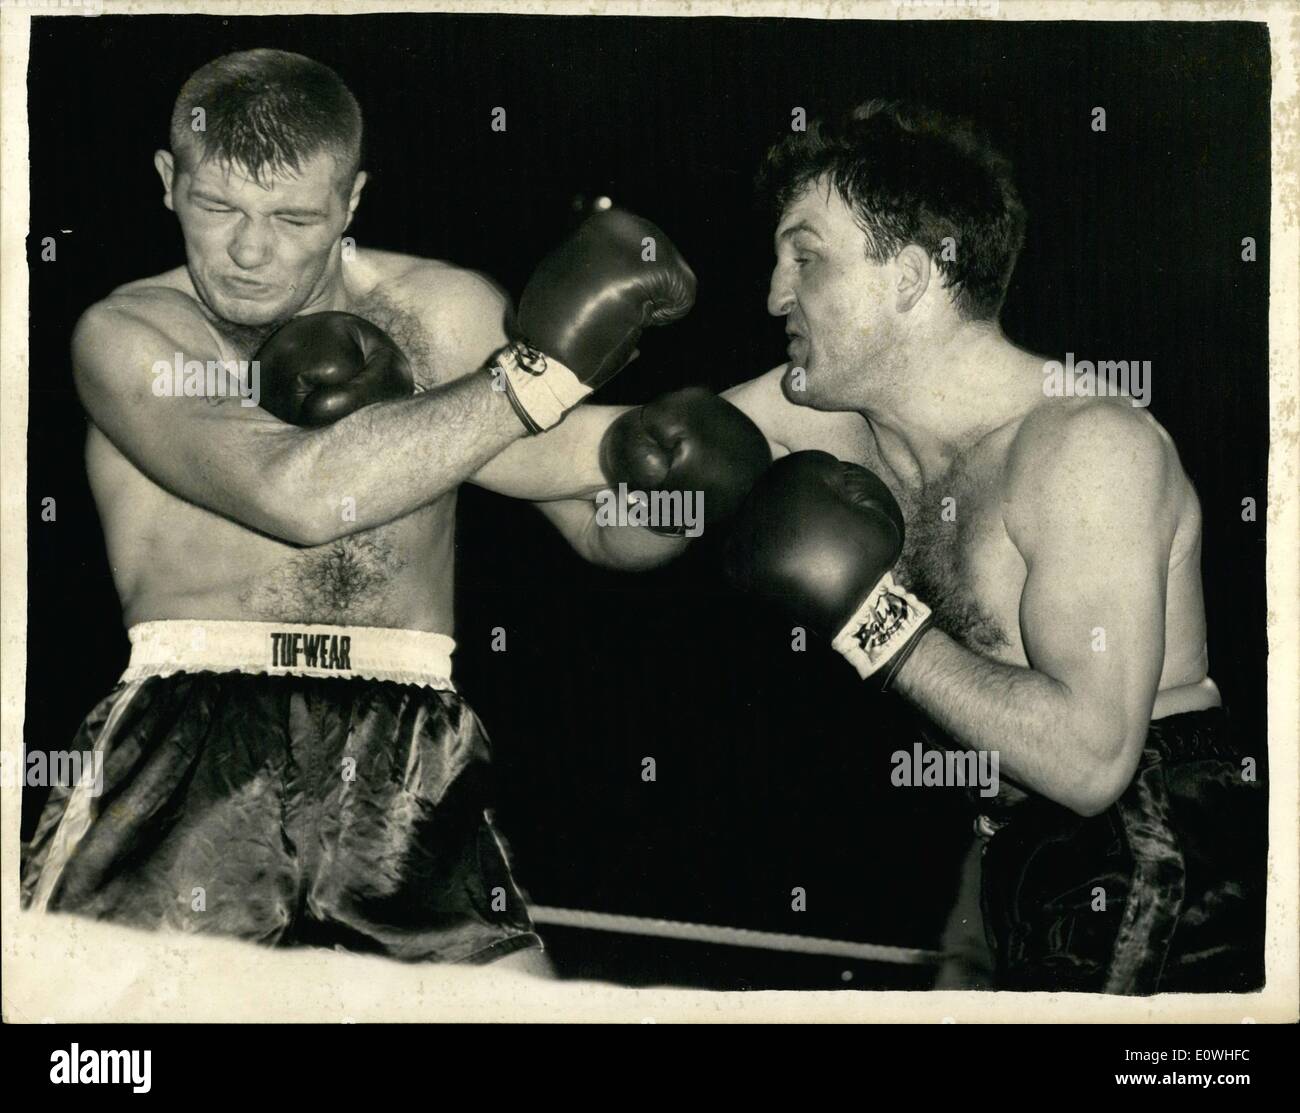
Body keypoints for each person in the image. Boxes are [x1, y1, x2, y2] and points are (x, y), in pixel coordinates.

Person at [20, 48, 768, 968]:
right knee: (101, 1054)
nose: (248, 250)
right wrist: (536, 378)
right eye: (218, 207)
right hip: (192, 739)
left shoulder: (444, 313)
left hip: (412, 744)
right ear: (169, 181)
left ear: (352, 201)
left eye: (293, 217)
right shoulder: (131, 334)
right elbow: (293, 491)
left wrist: (686, 490)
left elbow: (594, 517)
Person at [723, 101, 1265, 993]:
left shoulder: (1086, 444)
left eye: (806, 256)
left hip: (1155, 851)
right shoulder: (835, 420)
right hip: (1014, 849)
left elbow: (1091, 762)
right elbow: (588, 459)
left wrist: (871, 617)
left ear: (906, 277)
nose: (776, 293)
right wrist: (526, 372)